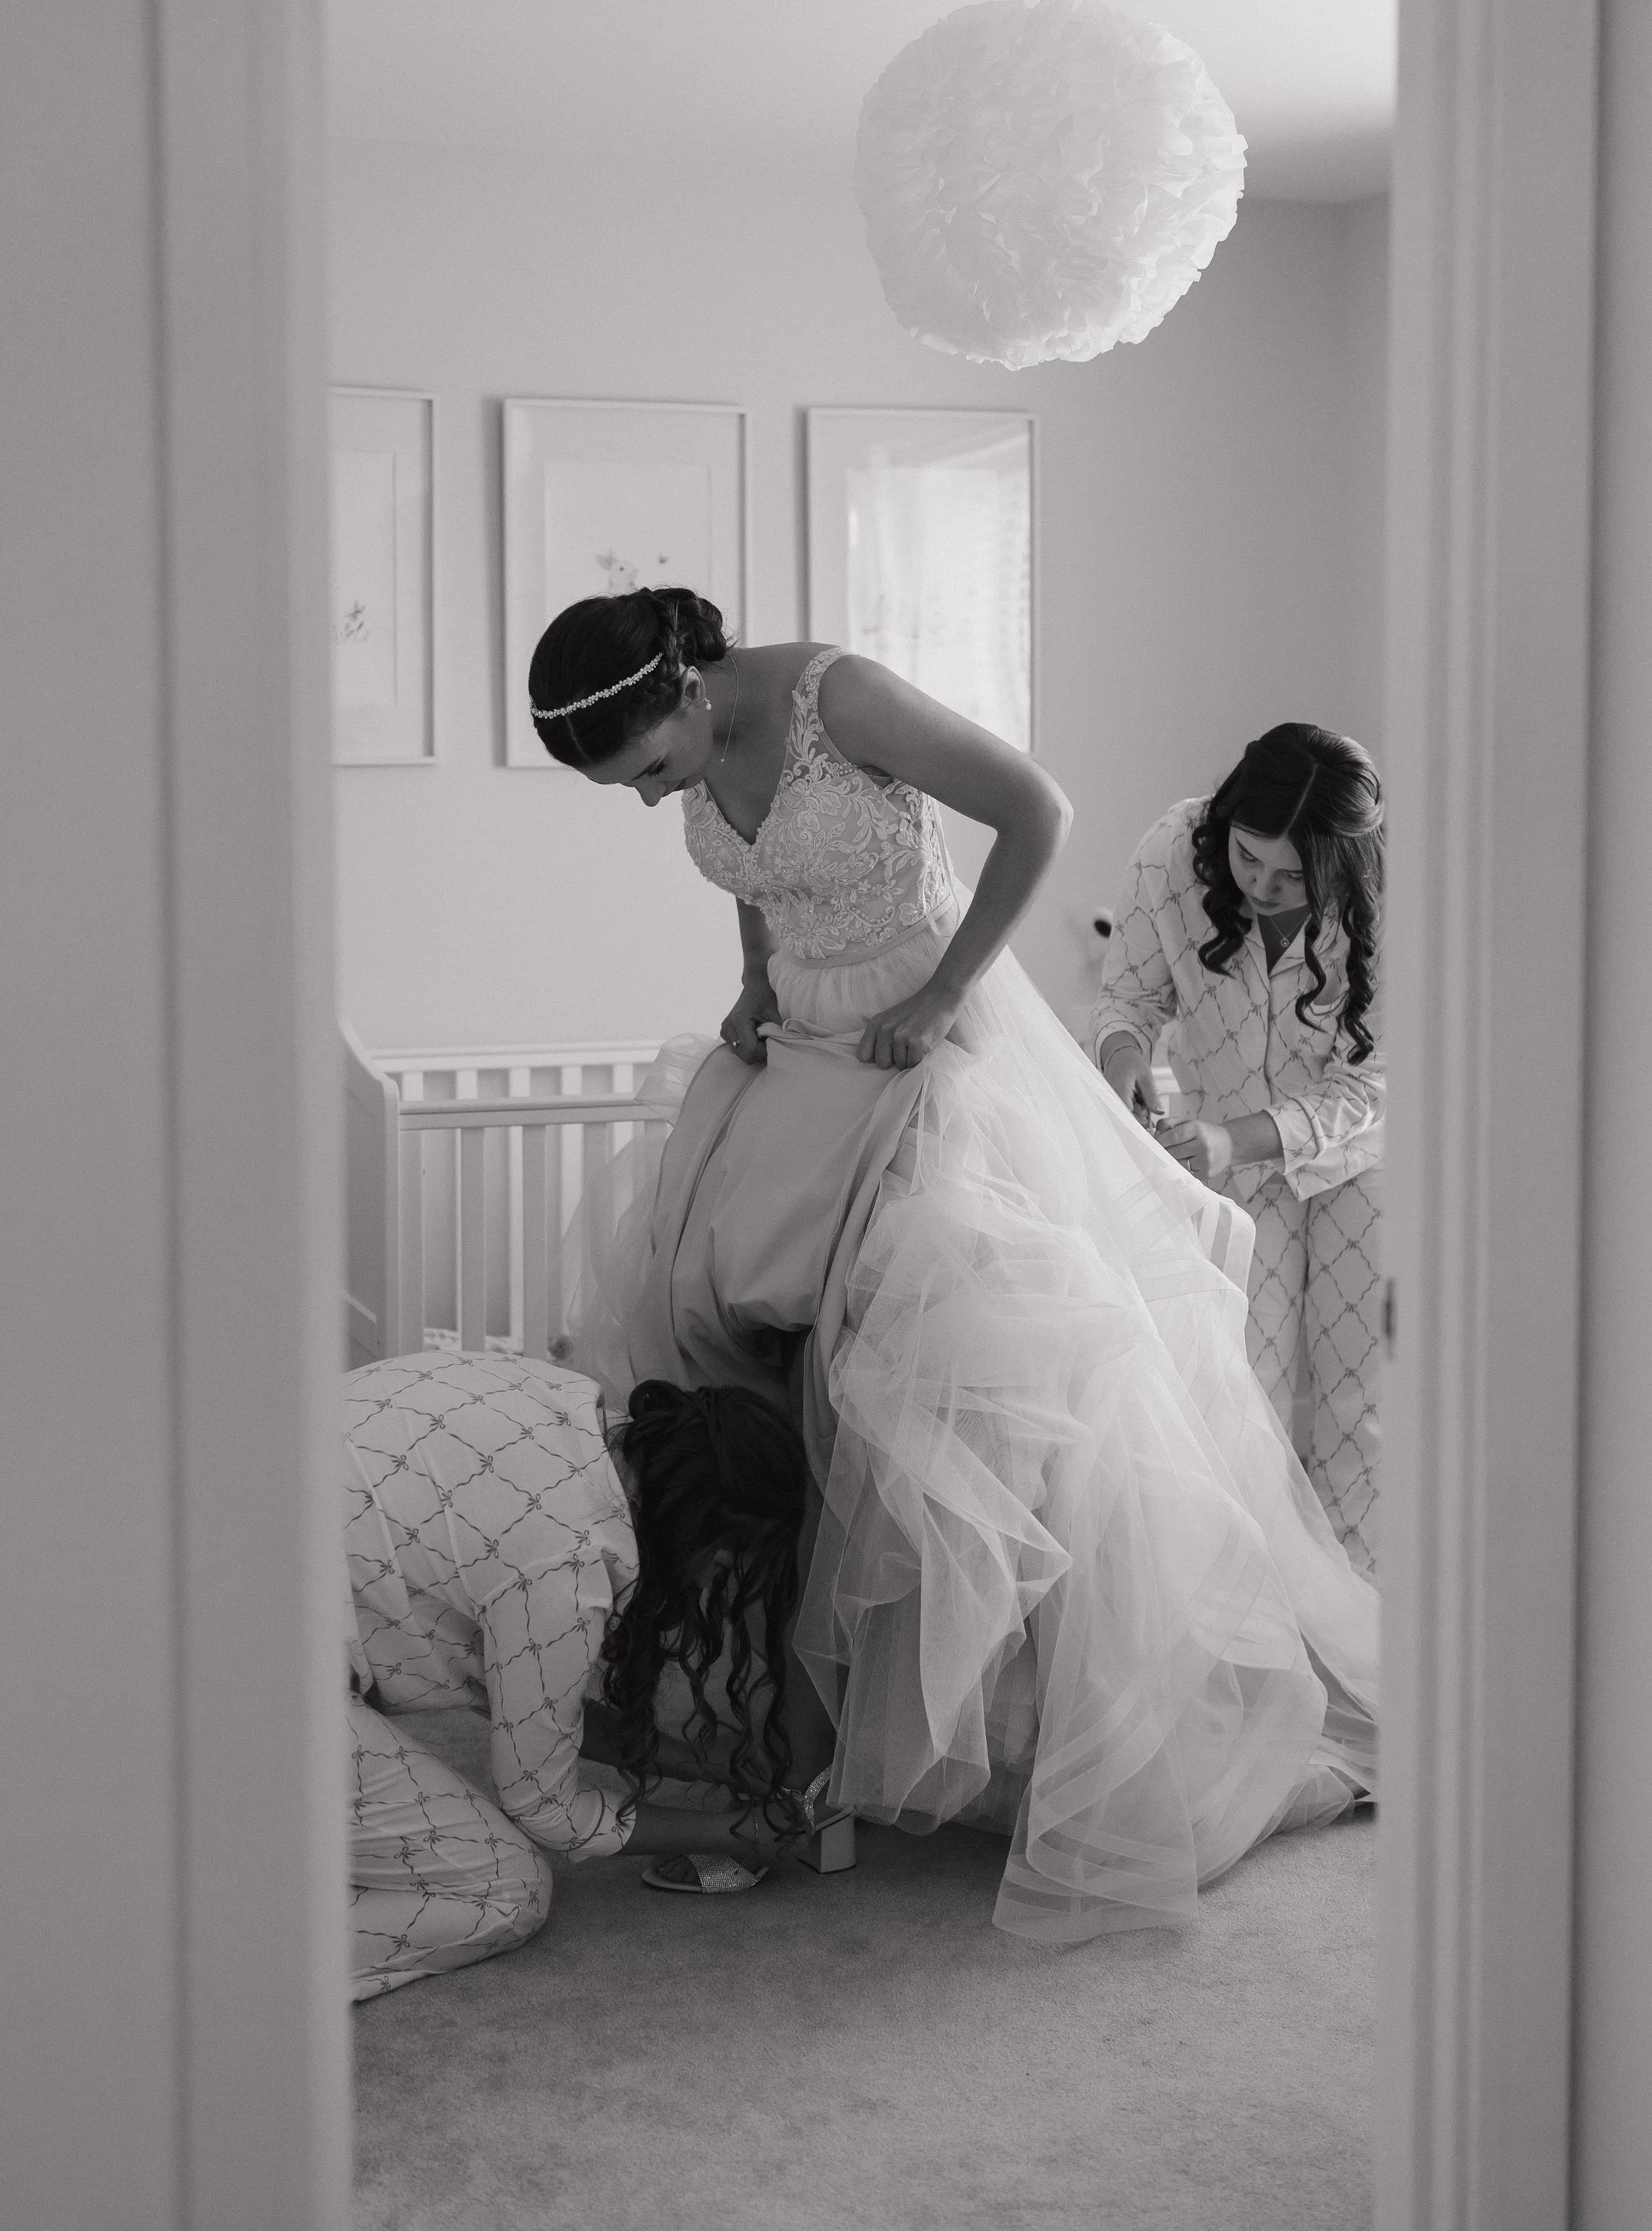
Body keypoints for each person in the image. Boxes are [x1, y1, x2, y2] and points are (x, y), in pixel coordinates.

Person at [531, 585, 1380, 1946]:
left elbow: (1035, 809)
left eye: (650, 775)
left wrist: (939, 991)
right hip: (800, 1060)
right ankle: (779, 1750)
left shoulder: (837, 697)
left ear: (689, 691)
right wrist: (756, 974)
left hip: (925, 1056)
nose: (650, 803)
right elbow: (759, 875)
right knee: (738, 1376)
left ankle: (925, 1755)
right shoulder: (695, 752)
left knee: (925, 1396)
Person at [343, 1349, 819, 1999]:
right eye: (724, 1565)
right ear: (698, 1529)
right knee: (504, 1889)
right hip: (240, 1680)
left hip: (191, 1561)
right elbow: (544, 1806)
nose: (713, 1585)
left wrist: (705, 1761)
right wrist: (738, 1832)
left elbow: (516, 1696)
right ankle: (208, 1966)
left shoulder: (562, 1400)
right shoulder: (565, 1569)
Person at [1090, 727, 1384, 1577]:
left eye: (1289, 875)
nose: (1260, 884)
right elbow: (1127, 998)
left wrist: (1235, 1140)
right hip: (1216, 1164)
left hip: (1360, 1163)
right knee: (1233, 1390)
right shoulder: (1172, 852)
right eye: (1249, 857)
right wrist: (1125, 1064)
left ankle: (1355, 1622)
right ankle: (1253, 1626)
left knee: (1355, 1405)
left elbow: (1370, 1087)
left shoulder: (1389, 890)